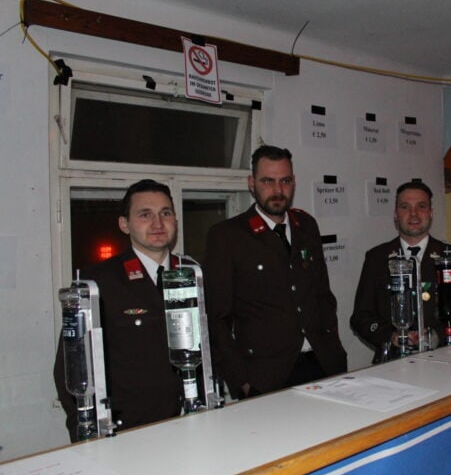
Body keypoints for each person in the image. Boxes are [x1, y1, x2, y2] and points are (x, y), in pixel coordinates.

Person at [204, 145, 347, 399]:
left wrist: (333, 346)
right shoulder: (228, 236)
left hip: (322, 364)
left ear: (294, 182)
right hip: (266, 375)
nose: (278, 190)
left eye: (285, 181)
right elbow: (217, 319)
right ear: (252, 183)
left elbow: (322, 294)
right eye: (267, 181)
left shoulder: (306, 225)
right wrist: (241, 380)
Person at [54, 179, 185, 442]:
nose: (158, 223)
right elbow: (70, 367)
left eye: (165, 213)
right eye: (145, 214)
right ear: (124, 224)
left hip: (188, 419)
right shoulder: (99, 282)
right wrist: (86, 433)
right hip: (127, 430)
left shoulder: (191, 273)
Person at [351, 181, 451, 362]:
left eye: (421, 206)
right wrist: (392, 336)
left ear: (431, 213)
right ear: (395, 214)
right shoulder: (377, 258)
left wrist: (436, 336)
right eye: (405, 207)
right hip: (393, 361)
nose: (413, 214)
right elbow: (361, 317)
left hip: (444, 359)